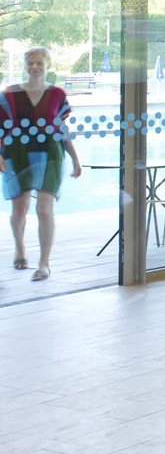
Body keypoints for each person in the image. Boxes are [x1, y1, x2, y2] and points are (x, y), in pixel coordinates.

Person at [1, 47, 83, 281]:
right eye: (30, 63)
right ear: (24, 65)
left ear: (48, 65)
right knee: (19, 208)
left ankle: (44, 263)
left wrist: (75, 157)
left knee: (45, 209)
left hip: (51, 154)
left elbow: (62, 128)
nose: (34, 67)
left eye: (39, 63)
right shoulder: (9, 94)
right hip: (17, 153)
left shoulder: (57, 94)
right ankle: (20, 248)